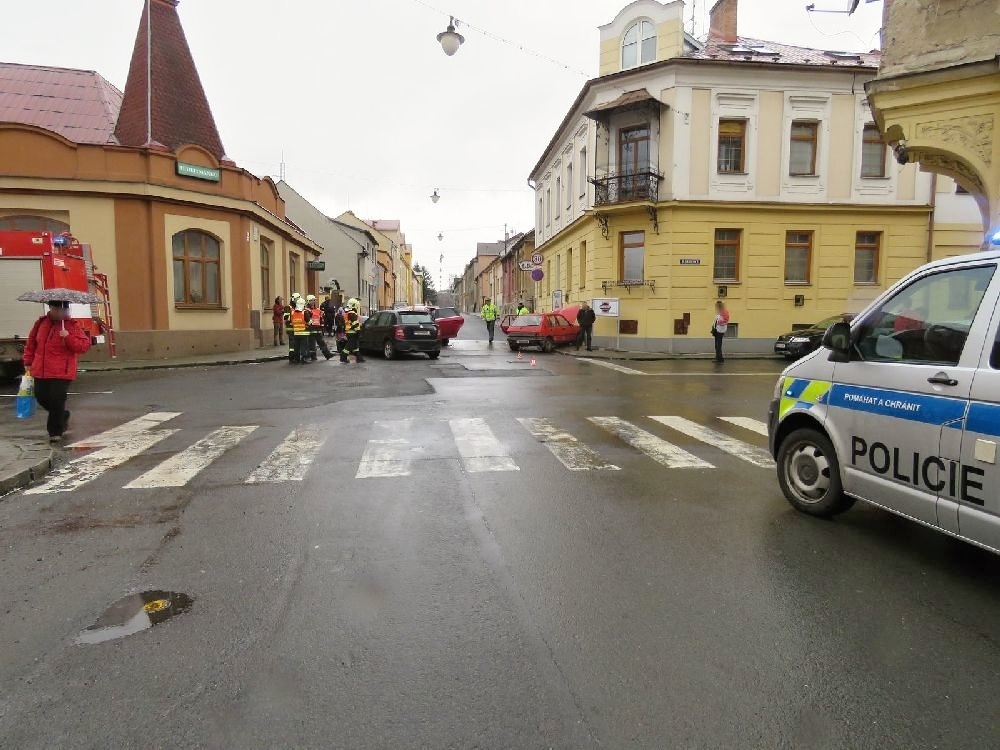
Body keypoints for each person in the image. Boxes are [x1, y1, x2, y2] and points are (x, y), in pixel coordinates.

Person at [22, 300, 92, 443]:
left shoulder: (72, 326)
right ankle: (62, 415)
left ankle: (55, 431)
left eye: (63, 310)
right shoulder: (41, 324)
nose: (61, 313)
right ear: (51, 309)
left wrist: (67, 336)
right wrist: (28, 362)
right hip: (40, 369)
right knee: (41, 397)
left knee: (57, 399)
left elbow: (83, 346)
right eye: (57, 309)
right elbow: (31, 343)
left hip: (62, 371)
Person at [305, 294, 334, 360]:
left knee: (322, 343)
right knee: (312, 344)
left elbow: (321, 318)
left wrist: (322, 326)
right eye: (312, 300)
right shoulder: (306, 310)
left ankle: (327, 355)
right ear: (308, 301)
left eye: (314, 300)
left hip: (318, 329)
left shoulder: (317, 310)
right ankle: (313, 356)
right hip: (311, 329)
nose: (313, 302)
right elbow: (307, 320)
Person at [290, 298, 312, 364]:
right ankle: (304, 358)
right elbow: (309, 322)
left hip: (296, 333)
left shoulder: (293, 312)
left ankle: (296, 359)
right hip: (303, 333)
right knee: (304, 346)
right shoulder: (304, 312)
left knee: (296, 347)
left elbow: (291, 322)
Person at [343, 298, 365, 363]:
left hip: (350, 331)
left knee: (355, 346)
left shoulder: (349, 313)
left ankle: (359, 358)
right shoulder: (352, 313)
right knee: (348, 347)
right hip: (353, 332)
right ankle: (343, 357)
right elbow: (355, 324)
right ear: (354, 305)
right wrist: (358, 331)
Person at [283, 292, 301, 363]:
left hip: (297, 328)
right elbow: (286, 317)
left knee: (296, 343)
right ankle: (292, 357)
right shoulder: (288, 307)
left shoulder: (297, 307)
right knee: (292, 344)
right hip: (290, 328)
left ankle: (296, 357)